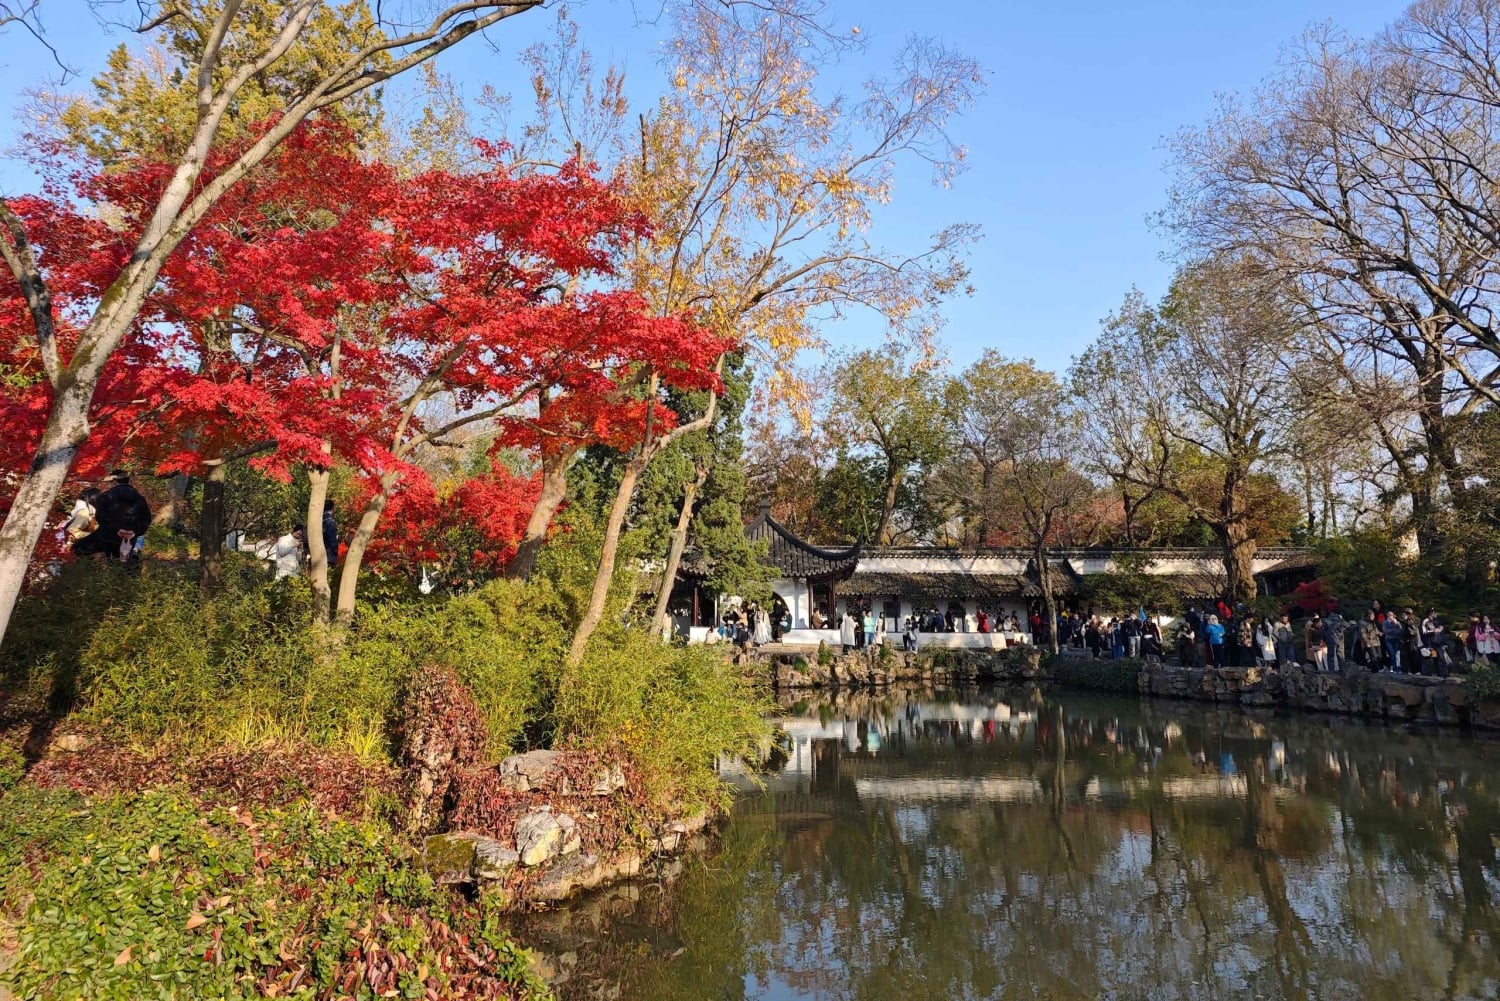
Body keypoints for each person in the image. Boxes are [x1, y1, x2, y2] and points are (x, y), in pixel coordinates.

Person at [72, 470, 152, 564]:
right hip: (130, 538)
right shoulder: (140, 499)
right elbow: (146, 518)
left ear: (114, 481)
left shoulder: (105, 496)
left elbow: (100, 517)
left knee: (76, 550)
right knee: (122, 564)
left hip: (107, 536)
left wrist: (116, 530)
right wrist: (134, 532)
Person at [321, 499, 338, 564]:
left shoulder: (320, 519)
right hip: (328, 554)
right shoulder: (330, 521)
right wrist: (336, 550)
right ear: (332, 508)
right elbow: (332, 539)